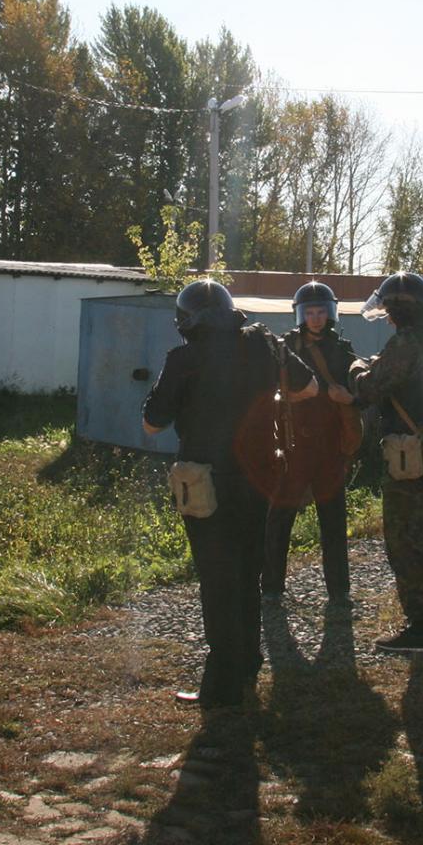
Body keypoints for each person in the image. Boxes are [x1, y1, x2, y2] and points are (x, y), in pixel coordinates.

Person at [143, 278, 318, 709]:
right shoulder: (263, 345)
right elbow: (309, 387)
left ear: (187, 321)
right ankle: (247, 665)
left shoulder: (182, 358)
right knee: (247, 572)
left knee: (217, 579)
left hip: (205, 480)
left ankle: (222, 686)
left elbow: (152, 423)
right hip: (258, 477)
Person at [350, 271, 423, 654]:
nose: (387, 317)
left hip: (408, 454)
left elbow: (368, 388)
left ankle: (420, 628)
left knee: (405, 541)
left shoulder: (408, 342)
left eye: (389, 310)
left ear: (399, 311)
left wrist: (355, 369)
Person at [262, 281, 360, 610]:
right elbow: (271, 389)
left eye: (321, 311)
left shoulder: (342, 349)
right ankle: (271, 587)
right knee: (279, 519)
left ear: (330, 314)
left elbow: (353, 392)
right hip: (294, 445)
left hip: (330, 446)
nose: (316, 318)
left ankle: (339, 592)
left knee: (333, 522)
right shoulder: (284, 347)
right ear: (301, 314)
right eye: (310, 312)